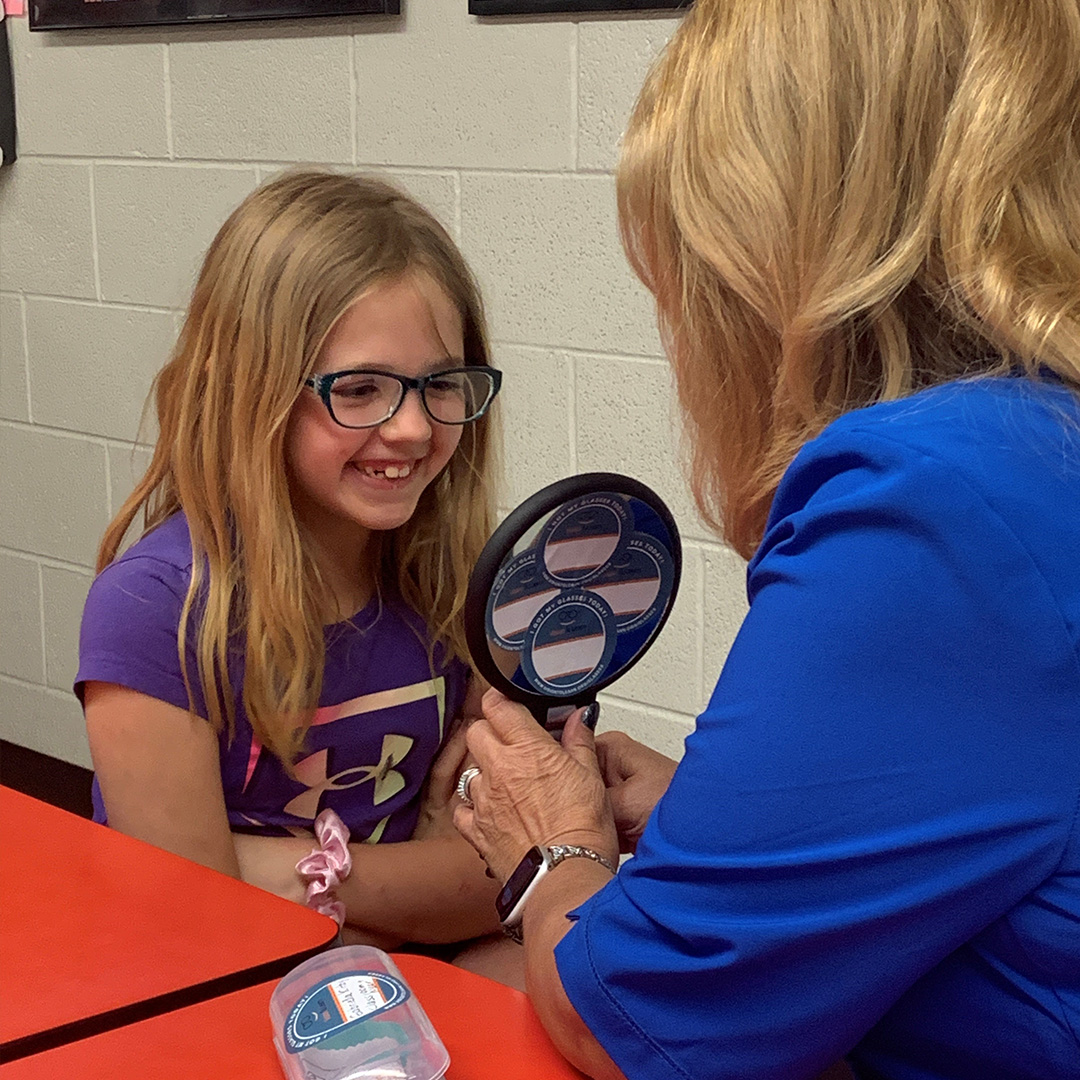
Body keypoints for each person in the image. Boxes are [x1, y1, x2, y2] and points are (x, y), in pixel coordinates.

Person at [452, 1, 1080, 1077]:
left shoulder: (934, 496)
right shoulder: (1042, 445)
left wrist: (548, 854)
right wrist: (717, 826)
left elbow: (640, 1024)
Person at [77, 170, 510, 955]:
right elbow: (195, 934)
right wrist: (421, 877)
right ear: (248, 389)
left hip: (407, 975)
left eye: (440, 384)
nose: (413, 428)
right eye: (360, 388)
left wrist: (286, 872)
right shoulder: (156, 609)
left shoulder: (461, 585)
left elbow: (506, 883)